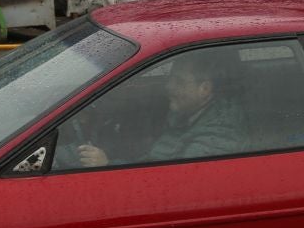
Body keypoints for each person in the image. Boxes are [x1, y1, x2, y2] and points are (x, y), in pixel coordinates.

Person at [70, 61, 244, 168]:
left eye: (179, 81)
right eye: (170, 79)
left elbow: (170, 181)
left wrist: (107, 165)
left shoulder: (218, 136)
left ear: (204, 89)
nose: (169, 86)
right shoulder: (189, 112)